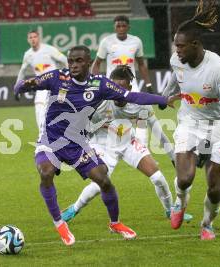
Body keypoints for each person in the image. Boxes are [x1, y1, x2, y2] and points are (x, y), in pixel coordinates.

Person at [14, 45, 177, 246]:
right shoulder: (57, 77)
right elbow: (34, 82)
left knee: (104, 180)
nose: (73, 65)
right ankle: (60, 224)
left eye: (79, 61)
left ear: (89, 63)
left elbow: (131, 97)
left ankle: (115, 223)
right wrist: (20, 86)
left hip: (77, 145)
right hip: (51, 141)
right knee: (46, 173)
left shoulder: (100, 84)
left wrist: (162, 99)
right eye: (71, 61)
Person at [61, 65, 192, 223]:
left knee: (158, 178)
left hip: (128, 142)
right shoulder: (100, 102)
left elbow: (159, 133)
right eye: (114, 87)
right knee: (98, 185)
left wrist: (174, 159)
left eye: (121, 88)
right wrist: (97, 126)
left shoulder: (140, 104)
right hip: (103, 145)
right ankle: (74, 209)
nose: (117, 92)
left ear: (130, 87)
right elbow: (80, 126)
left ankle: (170, 211)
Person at [163, 0, 220, 240]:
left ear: (196, 44)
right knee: (185, 178)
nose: (177, 51)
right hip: (189, 123)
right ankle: (179, 202)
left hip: (219, 127)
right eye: (176, 45)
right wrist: (164, 96)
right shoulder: (177, 60)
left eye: (181, 46)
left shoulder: (218, 69)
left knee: (214, 188)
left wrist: (211, 140)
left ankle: (207, 224)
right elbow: (175, 81)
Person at [92, 15, 153, 145]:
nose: (121, 28)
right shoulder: (106, 42)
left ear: (128, 27)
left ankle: (142, 144)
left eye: (123, 25)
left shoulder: (136, 41)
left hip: (131, 85)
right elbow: (96, 63)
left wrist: (148, 84)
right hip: (111, 86)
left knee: (143, 113)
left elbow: (141, 64)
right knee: (112, 116)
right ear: (114, 27)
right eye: (118, 26)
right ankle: (118, 142)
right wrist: (94, 83)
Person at [15, 30, 68, 138]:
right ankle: (42, 136)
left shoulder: (49, 49)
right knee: (39, 108)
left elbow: (64, 60)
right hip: (41, 86)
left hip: (54, 84)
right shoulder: (28, 55)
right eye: (30, 37)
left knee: (57, 109)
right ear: (28, 40)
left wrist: (67, 76)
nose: (33, 39)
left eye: (35, 37)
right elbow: (22, 71)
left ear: (39, 38)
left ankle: (62, 135)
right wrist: (17, 87)